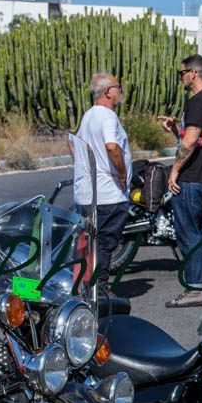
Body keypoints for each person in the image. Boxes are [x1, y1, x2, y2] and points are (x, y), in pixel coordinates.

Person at [164, 53, 202, 307]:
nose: (181, 78)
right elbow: (197, 138)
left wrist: (175, 170)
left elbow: (190, 141)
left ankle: (195, 288)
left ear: (194, 73)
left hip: (192, 179)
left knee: (189, 234)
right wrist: (176, 130)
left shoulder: (197, 101)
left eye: (182, 73)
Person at [70, 72, 131, 273]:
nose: (121, 91)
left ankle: (86, 287)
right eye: (118, 87)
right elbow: (112, 146)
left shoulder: (88, 115)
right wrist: (122, 175)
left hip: (87, 194)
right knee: (104, 244)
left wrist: (86, 168)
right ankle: (101, 290)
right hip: (108, 195)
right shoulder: (107, 116)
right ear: (107, 92)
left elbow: (73, 144)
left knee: (88, 244)